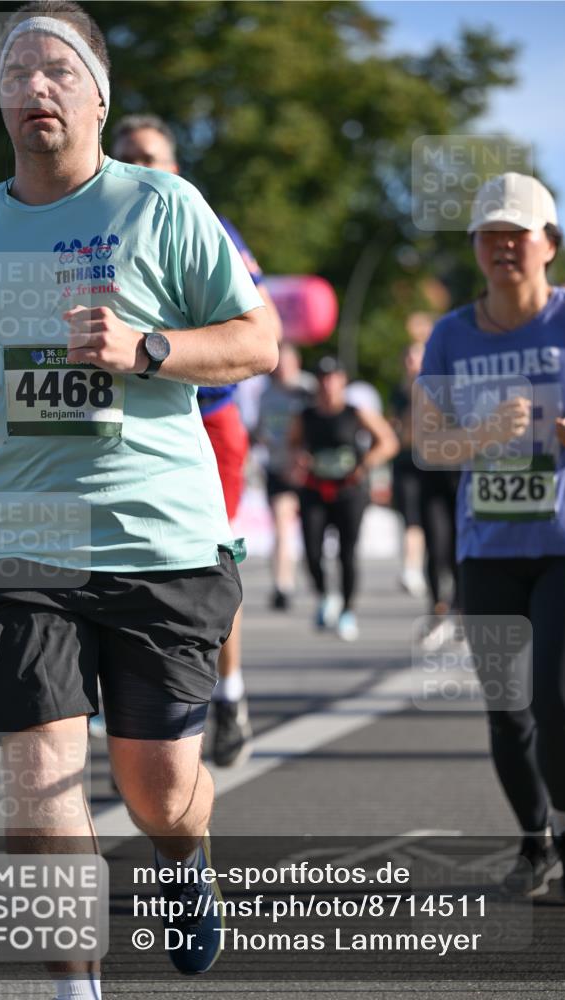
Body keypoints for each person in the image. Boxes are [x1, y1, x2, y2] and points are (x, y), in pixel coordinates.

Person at [0, 4, 277, 997]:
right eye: (13, 72)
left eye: (55, 68)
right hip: (18, 540)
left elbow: (259, 342)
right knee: (35, 792)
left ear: (97, 92)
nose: (33, 87)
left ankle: (183, 856)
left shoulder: (162, 206)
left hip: (156, 538)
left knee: (159, 790)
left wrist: (150, 349)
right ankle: (74, 988)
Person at [417, 172, 565, 900]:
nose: (502, 246)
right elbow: (426, 445)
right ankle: (532, 845)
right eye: (488, 235)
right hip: (487, 550)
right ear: (475, 247)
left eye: (516, 234)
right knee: (508, 712)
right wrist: (480, 435)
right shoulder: (450, 335)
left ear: (548, 244)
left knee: (558, 703)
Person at [111, 114, 281, 768]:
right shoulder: (86, 220)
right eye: (126, 157)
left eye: (151, 156)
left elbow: (260, 333)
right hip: (122, 416)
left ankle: (229, 693)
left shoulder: (200, 221)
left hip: (206, 417)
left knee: (208, 559)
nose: (139, 169)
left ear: (176, 167)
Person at [288, 356, 399, 641]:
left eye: (333, 378)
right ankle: (326, 597)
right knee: (312, 550)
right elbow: (292, 444)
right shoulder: (306, 415)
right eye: (323, 379)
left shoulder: (355, 412)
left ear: (342, 382)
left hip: (349, 491)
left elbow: (388, 442)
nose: (327, 385)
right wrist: (298, 459)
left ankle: (348, 611)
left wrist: (365, 465)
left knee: (346, 553)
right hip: (315, 489)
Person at [254, 342, 315, 609]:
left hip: (308, 471)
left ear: (297, 363)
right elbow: (260, 430)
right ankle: (282, 584)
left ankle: (320, 583)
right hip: (278, 468)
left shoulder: (309, 390)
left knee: (314, 531)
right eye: (280, 364)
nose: (283, 369)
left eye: (288, 363)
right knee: (281, 525)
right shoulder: (266, 395)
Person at [389, 342, 428, 598]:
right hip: (405, 461)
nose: (411, 362)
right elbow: (396, 429)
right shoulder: (400, 393)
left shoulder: (433, 389)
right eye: (408, 357)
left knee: (427, 519)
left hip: (429, 461)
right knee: (410, 517)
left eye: (416, 357)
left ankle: (421, 567)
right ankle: (411, 568)